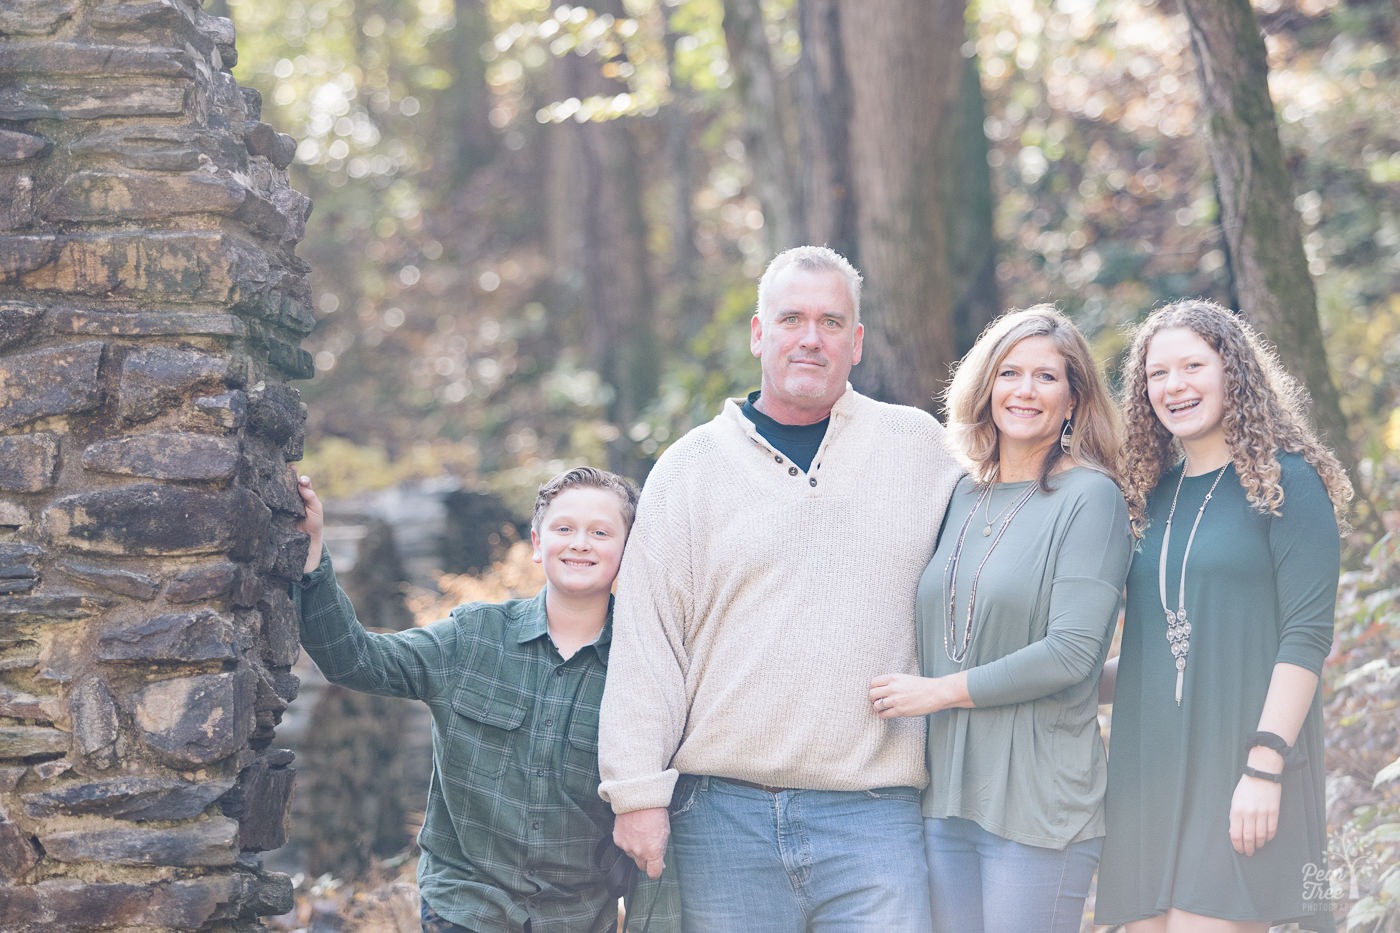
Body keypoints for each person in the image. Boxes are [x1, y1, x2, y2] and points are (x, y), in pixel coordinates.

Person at [596, 245, 963, 931]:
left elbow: (1000, 553)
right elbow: (648, 641)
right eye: (792, 318)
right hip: (724, 816)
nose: (811, 338)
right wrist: (635, 791)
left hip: (874, 814)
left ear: (855, 343)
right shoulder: (691, 470)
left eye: (831, 322)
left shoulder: (920, 449)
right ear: (760, 333)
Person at [291, 466, 680, 933]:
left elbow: (659, 824)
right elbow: (354, 660)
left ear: (627, 550)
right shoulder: (474, 637)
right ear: (537, 544)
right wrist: (312, 551)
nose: (580, 543)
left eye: (600, 532)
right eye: (564, 529)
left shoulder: (646, 664)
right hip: (466, 910)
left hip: (576, 918)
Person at [868, 305, 1132, 932]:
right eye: (1010, 372)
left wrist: (938, 693)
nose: (1025, 390)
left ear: (1074, 400)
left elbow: (1072, 654)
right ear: (985, 388)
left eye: (1047, 377)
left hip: (1037, 801)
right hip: (946, 794)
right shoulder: (963, 493)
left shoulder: (1091, 498)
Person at [1094, 299, 1352, 932]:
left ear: (1233, 370)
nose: (1174, 385)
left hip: (1242, 762)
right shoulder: (1148, 498)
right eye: (1157, 373)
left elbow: (1305, 638)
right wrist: (1060, 679)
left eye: (1192, 365)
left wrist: (1265, 766)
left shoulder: (1289, 484)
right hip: (1149, 774)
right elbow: (1167, 647)